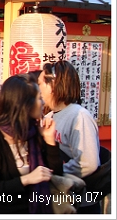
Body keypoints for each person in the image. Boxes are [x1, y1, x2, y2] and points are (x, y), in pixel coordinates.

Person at [0, 74, 63, 214]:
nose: (43, 103)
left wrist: (49, 140)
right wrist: (26, 179)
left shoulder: (34, 133)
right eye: (39, 98)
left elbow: (56, 174)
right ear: (25, 104)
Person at [39, 60, 101, 214]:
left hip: (80, 202)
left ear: (53, 85)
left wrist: (54, 174)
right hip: (60, 198)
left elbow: (89, 162)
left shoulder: (79, 116)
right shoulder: (49, 116)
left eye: (40, 84)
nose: (38, 89)